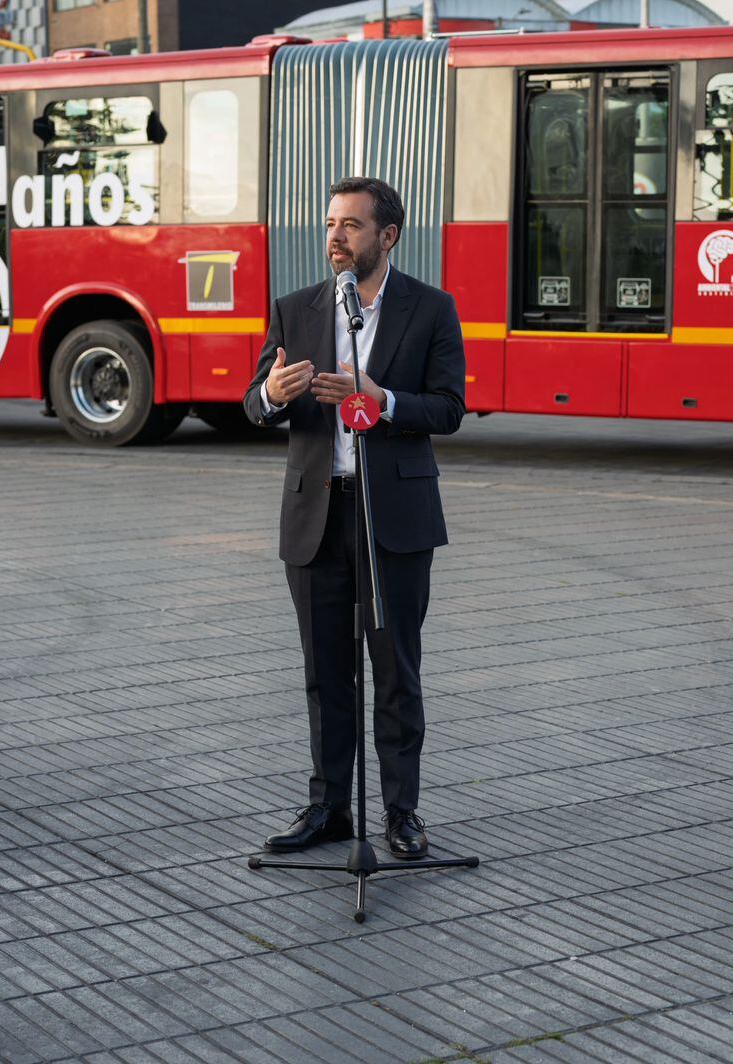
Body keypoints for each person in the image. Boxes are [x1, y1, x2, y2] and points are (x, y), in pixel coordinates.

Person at [243, 177, 465, 859]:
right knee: (325, 670)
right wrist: (273, 394)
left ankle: (400, 812)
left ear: (388, 237)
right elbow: (252, 403)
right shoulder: (296, 308)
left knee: (395, 668)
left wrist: (383, 398)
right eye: (331, 223)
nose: (336, 237)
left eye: (352, 226)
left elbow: (449, 408)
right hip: (317, 514)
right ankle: (329, 807)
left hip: (391, 516)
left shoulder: (431, 309)